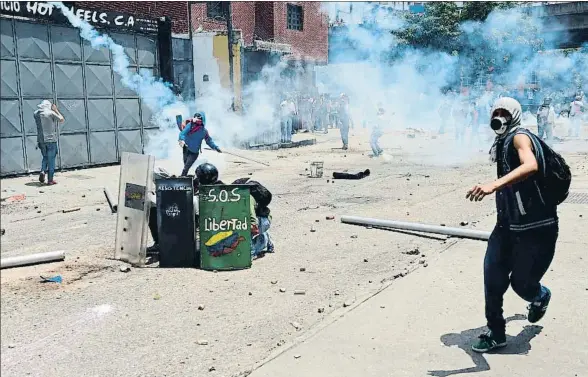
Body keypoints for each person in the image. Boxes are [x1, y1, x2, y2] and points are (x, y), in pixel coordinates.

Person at [466, 97, 559, 353]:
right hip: (506, 225)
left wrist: (493, 185)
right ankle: (496, 332)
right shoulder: (501, 142)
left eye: (504, 112)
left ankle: (540, 296)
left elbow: (531, 165)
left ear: (514, 115)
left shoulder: (519, 137)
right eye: (495, 112)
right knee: (492, 276)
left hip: (535, 228)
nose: (499, 117)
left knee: (522, 285)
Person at [148, 163, 273, 258]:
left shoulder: (226, 194)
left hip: (251, 225)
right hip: (226, 228)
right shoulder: (209, 190)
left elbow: (251, 226)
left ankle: (263, 240)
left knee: (244, 251)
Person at [178, 112, 222, 176]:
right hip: (186, 149)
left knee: (186, 167)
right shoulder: (190, 125)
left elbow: (209, 141)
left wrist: (216, 147)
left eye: (199, 118)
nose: (198, 120)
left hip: (194, 152)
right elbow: (183, 133)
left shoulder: (204, 131)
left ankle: (182, 178)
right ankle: (185, 177)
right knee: (186, 165)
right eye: (196, 118)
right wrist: (181, 140)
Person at [34, 100, 64, 185]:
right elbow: (61, 119)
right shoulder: (50, 113)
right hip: (51, 140)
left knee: (45, 157)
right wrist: (55, 110)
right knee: (51, 160)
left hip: (40, 140)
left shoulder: (35, 114)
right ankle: (50, 180)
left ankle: (43, 171)